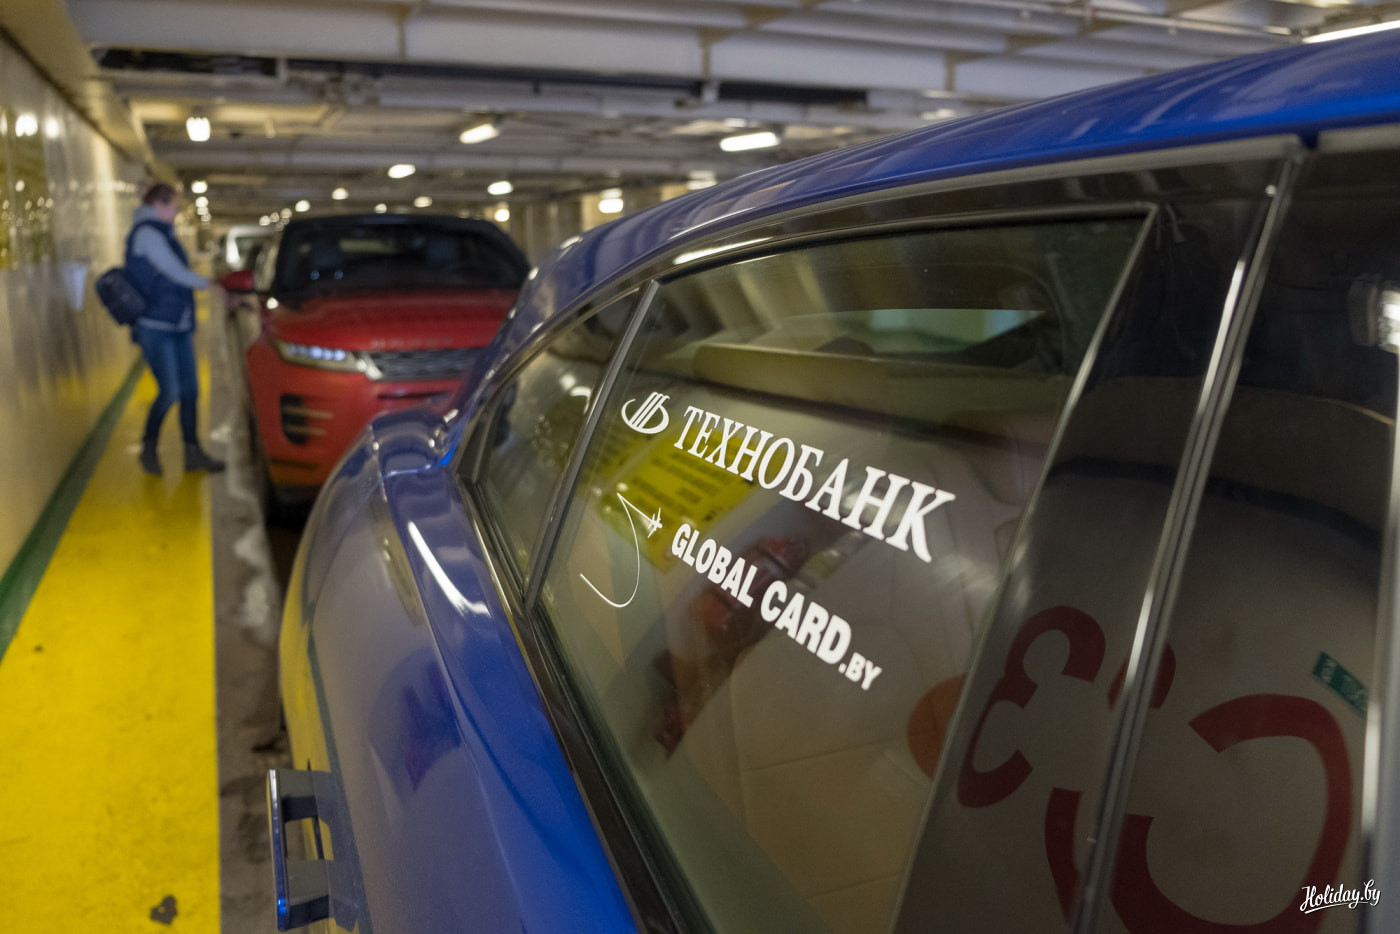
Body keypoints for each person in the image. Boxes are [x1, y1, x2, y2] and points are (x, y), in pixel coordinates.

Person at [126, 181, 225, 475]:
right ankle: (148, 448)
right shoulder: (147, 233)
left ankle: (193, 453)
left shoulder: (163, 232)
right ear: (159, 204)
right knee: (169, 391)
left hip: (178, 323)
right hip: (156, 326)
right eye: (175, 207)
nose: (177, 212)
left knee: (191, 391)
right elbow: (175, 271)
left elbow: (173, 272)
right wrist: (209, 283)